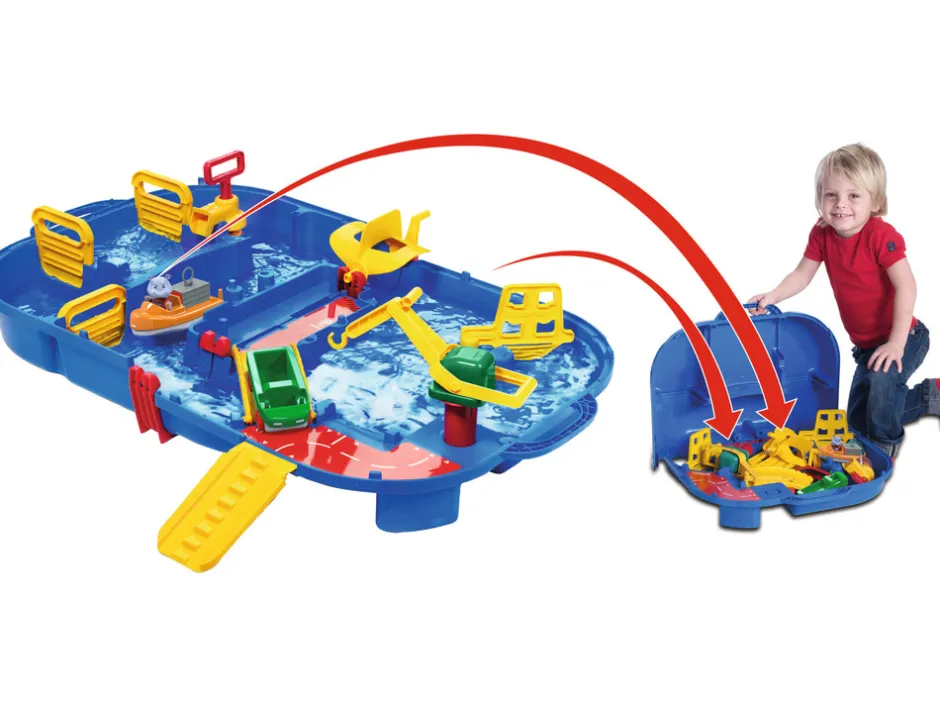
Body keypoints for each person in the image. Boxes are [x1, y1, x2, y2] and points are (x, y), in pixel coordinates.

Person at [748, 143, 938, 457]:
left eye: (854, 195)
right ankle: (930, 396)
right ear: (819, 198)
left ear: (876, 202)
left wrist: (896, 343)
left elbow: (907, 286)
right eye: (831, 195)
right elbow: (802, 274)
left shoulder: (881, 236)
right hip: (867, 346)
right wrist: (773, 295)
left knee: (882, 386)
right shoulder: (822, 234)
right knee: (858, 421)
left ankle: (883, 449)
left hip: (906, 335)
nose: (841, 205)